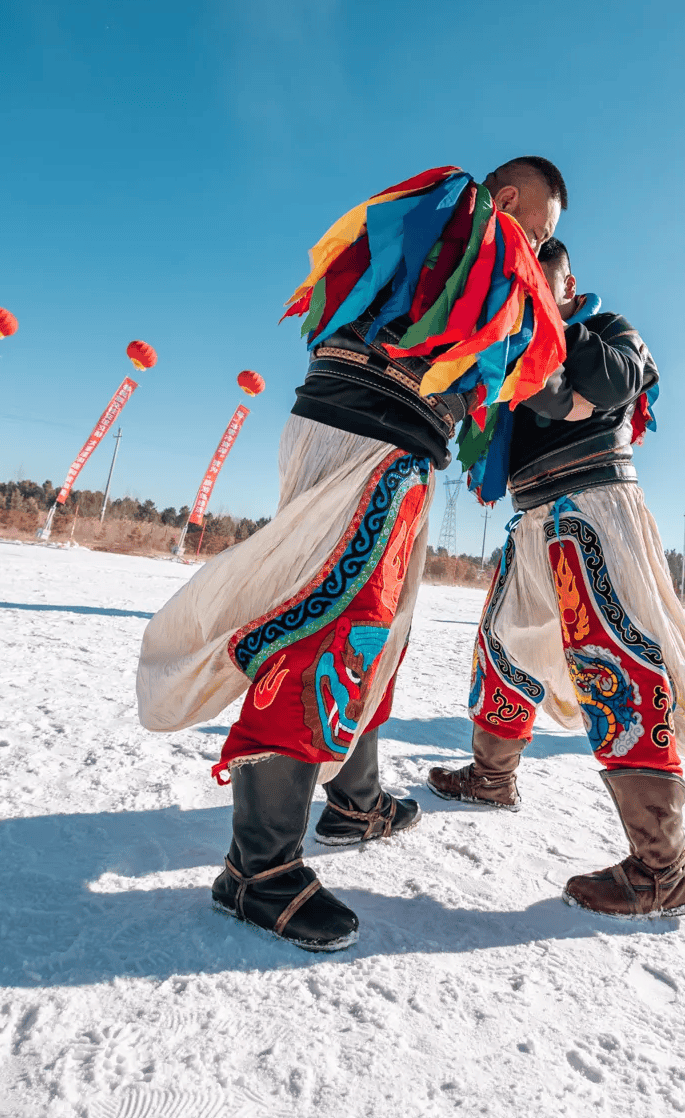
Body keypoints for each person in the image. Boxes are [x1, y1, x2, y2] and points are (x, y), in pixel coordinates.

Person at [135, 159, 569, 951]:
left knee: (378, 630)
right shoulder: (465, 221)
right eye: (540, 227)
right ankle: (257, 870)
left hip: (377, 432)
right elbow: (531, 356)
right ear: (508, 201)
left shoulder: (441, 234)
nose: (540, 245)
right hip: (374, 429)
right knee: (332, 624)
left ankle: (356, 799)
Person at [426, 238, 685, 920]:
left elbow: (617, 383)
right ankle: (492, 776)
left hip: (591, 508)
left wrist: (552, 325)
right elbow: (517, 412)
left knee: (615, 663)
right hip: (533, 518)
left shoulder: (607, 329)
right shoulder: (512, 347)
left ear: (568, 282)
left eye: (540, 276)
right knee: (501, 650)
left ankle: (662, 869)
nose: (526, 288)